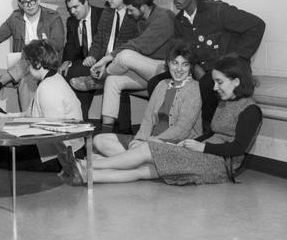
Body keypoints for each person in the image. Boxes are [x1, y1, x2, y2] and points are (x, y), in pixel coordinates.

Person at [59, 54, 262, 185]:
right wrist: (195, 143)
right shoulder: (226, 101)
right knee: (145, 170)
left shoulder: (251, 109)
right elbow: (211, 133)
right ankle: (87, 176)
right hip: (205, 154)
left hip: (219, 165)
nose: (215, 88)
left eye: (219, 82)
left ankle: (86, 164)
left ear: (236, 81)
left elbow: (237, 148)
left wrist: (203, 148)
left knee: (148, 150)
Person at [149, 0, 265, 133]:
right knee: (155, 82)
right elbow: (182, 51)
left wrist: (236, 56)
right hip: (198, 69)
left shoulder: (218, 10)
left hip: (224, 69)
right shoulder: (180, 20)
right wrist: (188, 68)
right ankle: (161, 128)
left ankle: (207, 133)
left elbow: (257, 25)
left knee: (207, 83)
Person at [74, 0, 175, 133]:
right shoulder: (140, 19)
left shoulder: (164, 17)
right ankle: (106, 133)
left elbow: (138, 45)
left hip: (166, 70)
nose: (128, 13)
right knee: (113, 81)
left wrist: (104, 60)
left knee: (125, 55)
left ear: (143, 7)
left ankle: (98, 80)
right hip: (148, 72)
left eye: (130, 9)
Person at [93, 40, 202, 159]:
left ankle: (128, 160)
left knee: (97, 158)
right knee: (99, 140)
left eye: (185, 64)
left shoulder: (194, 89)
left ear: (191, 66)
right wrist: (139, 140)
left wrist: (151, 141)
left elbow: (181, 130)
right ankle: (134, 160)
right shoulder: (162, 84)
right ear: (168, 64)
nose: (179, 69)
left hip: (172, 145)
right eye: (175, 63)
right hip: (148, 141)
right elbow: (147, 119)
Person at [0, 39, 84, 171]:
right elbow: (29, 113)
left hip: (64, 154)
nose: (27, 68)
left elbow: (55, 132)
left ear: (38, 64)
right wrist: (6, 117)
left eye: (28, 63)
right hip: (61, 147)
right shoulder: (53, 78)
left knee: (2, 154)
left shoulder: (47, 88)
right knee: (1, 149)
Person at [68, 0, 138, 126]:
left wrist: (107, 61)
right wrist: (92, 56)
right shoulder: (108, 12)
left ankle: (124, 129)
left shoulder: (133, 15)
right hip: (103, 60)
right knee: (75, 71)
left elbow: (132, 46)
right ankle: (81, 122)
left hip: (122, 62)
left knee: (115, 77)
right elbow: (99, 39)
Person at [0, 0, 64, 111]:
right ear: (20, 5)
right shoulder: (16, 18)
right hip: (26, 68)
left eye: (32, 1)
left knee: (32, 52)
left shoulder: (52, 17)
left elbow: (59, 44)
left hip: (46, 64)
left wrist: (42, 43)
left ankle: (5, 79)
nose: (30, 5)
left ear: (38, 0)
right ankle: (25, 119)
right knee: (23, 82)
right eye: (25, 2)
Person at [58, 0, 103, 120]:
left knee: (76, 74)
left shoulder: (102, 16)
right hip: (82, 60)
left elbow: (107, 42)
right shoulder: (71, 21)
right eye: (69, 8)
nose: (72, 11)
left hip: (99, 59)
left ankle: (79, 120)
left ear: (86, 3)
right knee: (65, 73)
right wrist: (66, 62)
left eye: (75, 7)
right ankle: (75, 119)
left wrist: (96, 57)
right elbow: (70, 46)